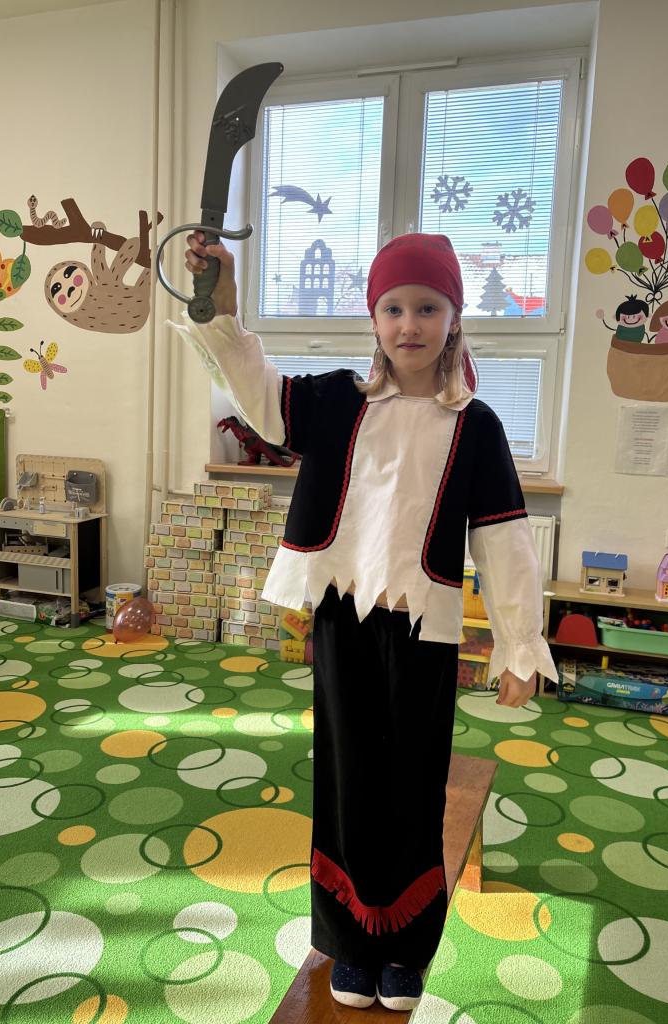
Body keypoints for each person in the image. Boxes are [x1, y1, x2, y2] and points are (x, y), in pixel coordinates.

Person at [172, 231, 558, 1013]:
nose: (410, 324)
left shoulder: (476, 425)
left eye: (428, 308)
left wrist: (520, 644)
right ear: (374, 319)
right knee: (347, 779)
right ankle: (350, 942)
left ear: (454, 318)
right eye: (394, 308)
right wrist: (224, 304)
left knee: (414, 786)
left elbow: (506, 539)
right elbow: (258, 395)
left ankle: (404, 948)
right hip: (344, 623)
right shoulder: (335, 401)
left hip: (423, 634)